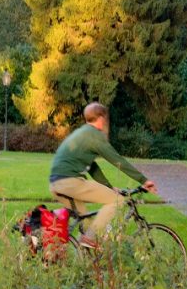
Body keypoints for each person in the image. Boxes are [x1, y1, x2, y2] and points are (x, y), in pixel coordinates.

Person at [49, 102, 158, 248]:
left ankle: (85, 262)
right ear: (101, 118)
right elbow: (117, 160)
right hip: (70, 182)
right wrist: (144, 180)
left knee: (87, 227)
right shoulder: (94, 136)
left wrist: (108, 187)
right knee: (118, 200)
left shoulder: (82, 133)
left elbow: (92, 167)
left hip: (56, 184)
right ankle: (89, 239)